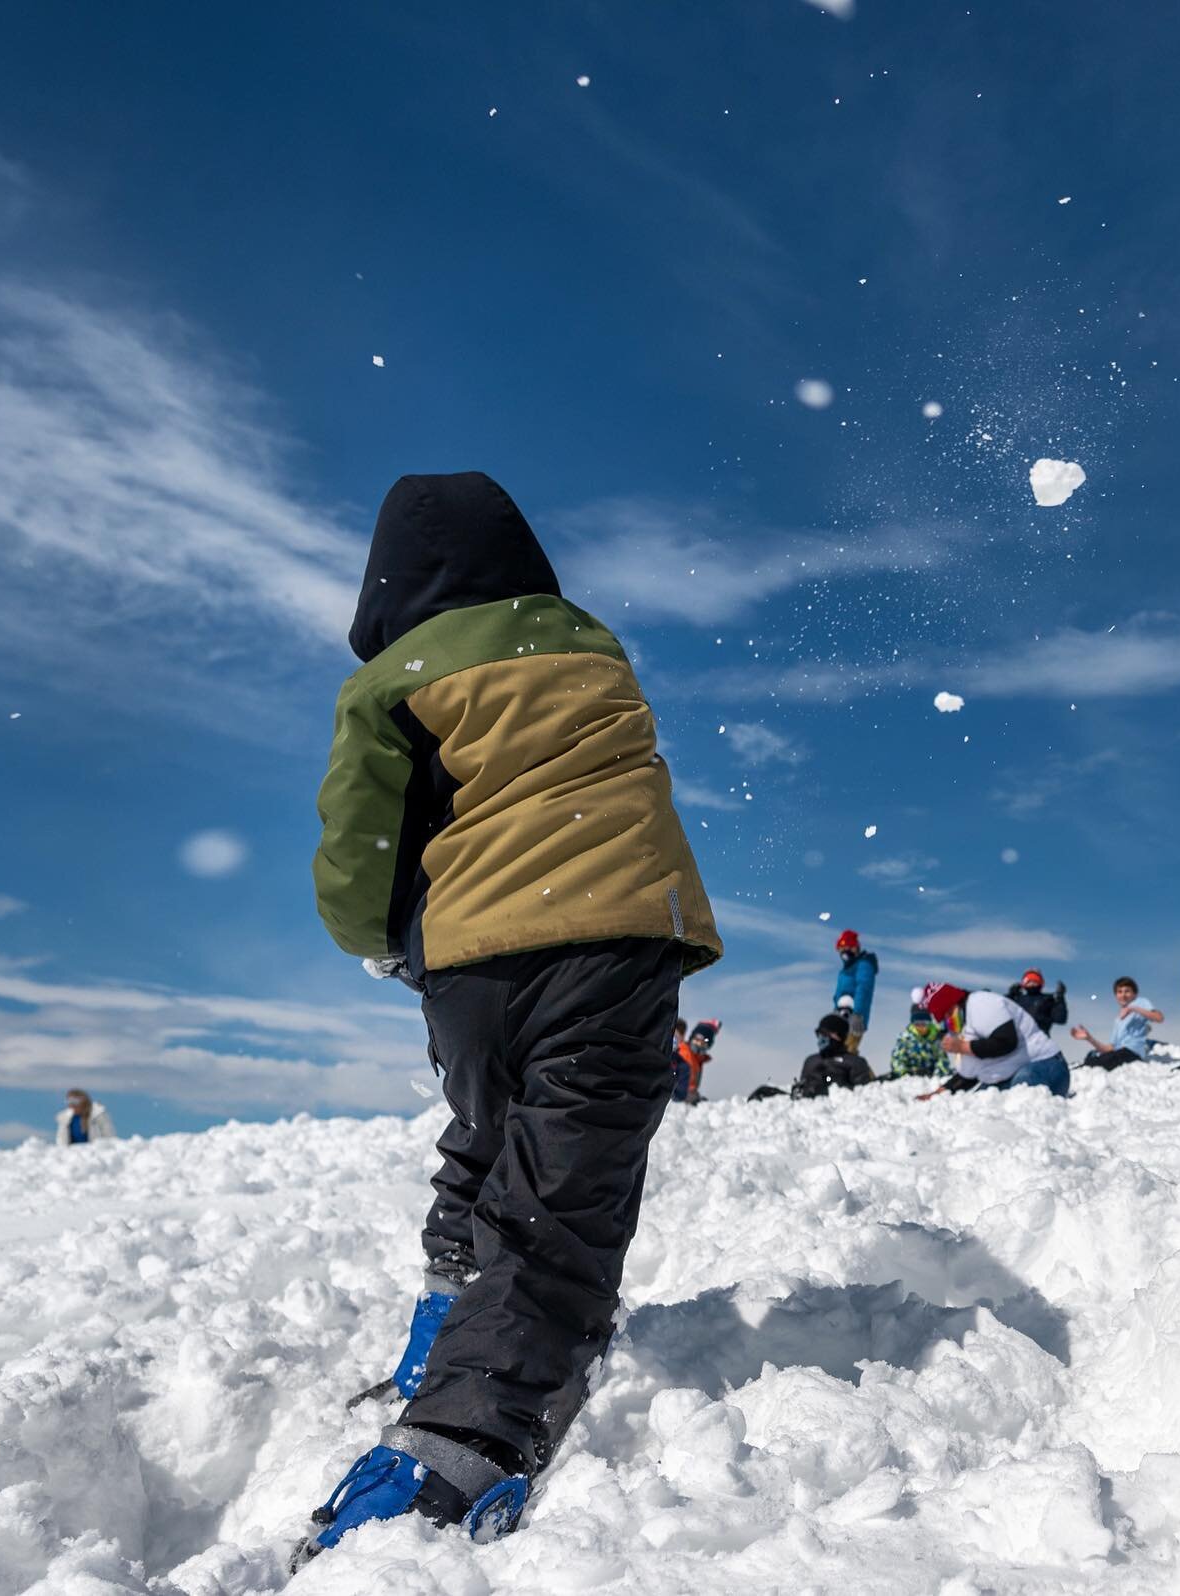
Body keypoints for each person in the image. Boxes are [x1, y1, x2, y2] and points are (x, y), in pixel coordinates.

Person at [297, 471, 720, 1566]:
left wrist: (380, 937)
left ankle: (446, 1314)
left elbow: (359, 843)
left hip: (471, 962)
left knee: (487, 1135)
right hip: (618, 938)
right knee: (562, 1179)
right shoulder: (591, 647)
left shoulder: (394, 680)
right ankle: (461, 1437)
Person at [913, 981, 1070, 1098]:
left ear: (956, 1003)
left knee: (1020, 1094)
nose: (948, 1021)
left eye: (948, 1013)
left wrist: (963, 1047)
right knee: (980, 1103)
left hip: (1046, 1066)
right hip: (1013, 1074)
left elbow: (1006, 1042)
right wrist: (939, 1093)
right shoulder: (967, 1030)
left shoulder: (982, 1003)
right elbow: (969, 1074)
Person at [1071, 978, 1164, 1070]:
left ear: (1134, 994)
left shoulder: (1140, 1002)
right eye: (1120, 992)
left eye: (1127, 991)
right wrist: (1089, 1038)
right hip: (1118, 1052)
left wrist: (1133, 1008)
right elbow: (1109, 1048)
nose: (1123, 995)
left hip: (1132, 1052)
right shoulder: (1118, 1021)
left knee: (1099, 1062)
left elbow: (1159, 1018)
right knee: (1091, 1058)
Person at [793, 1012, 874, 1098]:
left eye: (825, 1034)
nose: (821, 1037)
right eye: (819, 1033)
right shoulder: (811, 1061)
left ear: (839, 1036)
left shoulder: (855, 1063)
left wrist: (832, 1084)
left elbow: (864, 1097)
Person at [833, 929, 878, 1053]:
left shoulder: (864, 965)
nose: (844, 952)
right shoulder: (846, 969)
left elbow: (863, 989)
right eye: (841, 949)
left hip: (854, 1017)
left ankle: (864, 1073)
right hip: (841, 1016)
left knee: (846, 1052)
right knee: (839, 1051)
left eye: (848, 947)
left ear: (855, 948)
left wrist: (858, 1014)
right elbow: (839, 994)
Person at [888, 1004, 952, 1079]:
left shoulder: (936, 1038)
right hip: (909, 1077)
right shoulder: (905, 1039)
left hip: (931, 1076)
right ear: (913, 1023)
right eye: (917, 1024)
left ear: (929, 1022)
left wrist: (937, 1076)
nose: (921, 1027)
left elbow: (942, 1059)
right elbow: (897, 1059)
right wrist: (904, 1075)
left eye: (924, 1024)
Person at [1006, 969, 1068, 1035]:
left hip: (1040, 1039)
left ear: (1041, 982)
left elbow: (1060, 1019)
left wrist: (1060, 999)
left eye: (1035, 981)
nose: (1032, 984)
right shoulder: (1017, 999)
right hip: (1018, 1038)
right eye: (1029, 981)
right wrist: (1010, 996)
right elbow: (1002, 1014)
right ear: (1024, 983)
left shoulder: (1048, 999)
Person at [675, 1019, 720, 1105]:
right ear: (692, 1038)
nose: (699, 1044)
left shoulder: (697, 1059)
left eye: (704, 1042)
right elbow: (679, 1083)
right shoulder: (685, 1053)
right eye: (697, 1039)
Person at [669, 1018, 690, 1102]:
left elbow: (680, 1096)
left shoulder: (683, 1066)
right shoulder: (650, 1052)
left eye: (675, 1038)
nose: (671, 1040)